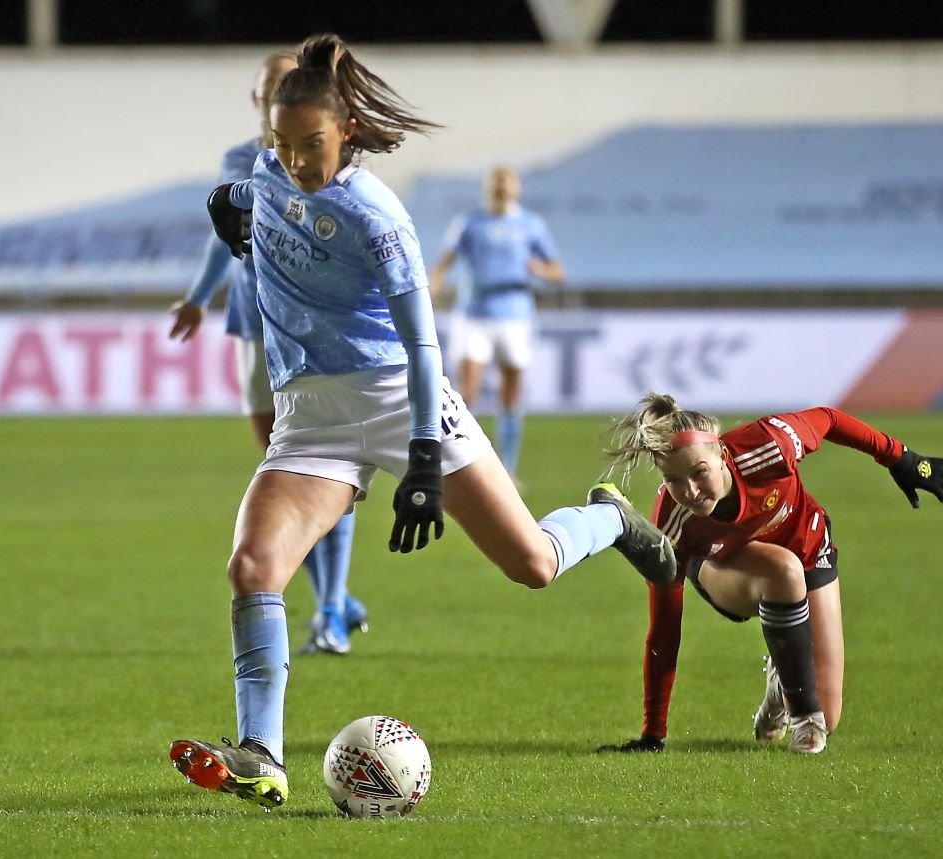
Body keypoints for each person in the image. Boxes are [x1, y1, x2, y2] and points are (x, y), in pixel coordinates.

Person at [168, 32, 676, 811]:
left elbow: (424, 340)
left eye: (313, 144)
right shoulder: (268, 172)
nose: (297, 159)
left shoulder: (375, 215)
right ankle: (262, 753)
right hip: (310, 414)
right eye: (281, 143)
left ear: (346, 134)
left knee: (531, 564)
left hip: (400, 393)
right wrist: (222, 202)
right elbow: (245, 195)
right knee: (252, 569)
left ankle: (608, 520)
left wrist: (424, 459)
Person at [595, 393, 943, 755]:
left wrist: (899, 457)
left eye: (699, 473)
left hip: (810, 550)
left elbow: (828, 418)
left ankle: (781, 681)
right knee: (783, 571)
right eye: (673, 480)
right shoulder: (673, 523)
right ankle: (805, 718)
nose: (689, 491)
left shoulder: (771, 444)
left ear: (721, 455)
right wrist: (653, 734)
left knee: (830, 716)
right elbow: (664, 629)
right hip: (725, 573)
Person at [166, 50, 367, 656]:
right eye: (268, 86)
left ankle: (331, 608)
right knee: (281, 462)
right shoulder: (240, 161)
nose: (276, 91)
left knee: (321, 461)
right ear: (259, 98)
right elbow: (220, 240)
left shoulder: (322, 163)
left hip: (310, 326)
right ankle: (337, 598)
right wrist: (199, 298)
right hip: (253, 321)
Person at [428, 166, 564, 481]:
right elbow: (444, 262)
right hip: (474, 316)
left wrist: (541, 270)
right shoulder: (470, 223)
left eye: (506, 184)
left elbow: (558, 271)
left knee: (511, 393)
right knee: (467, 393)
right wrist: (431, 289)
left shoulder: (530, 224)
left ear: (516, 189)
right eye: (496, 185)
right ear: (488, 189)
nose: (501, 190)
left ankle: (508, 469)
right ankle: (463, 467)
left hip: (515, 317)